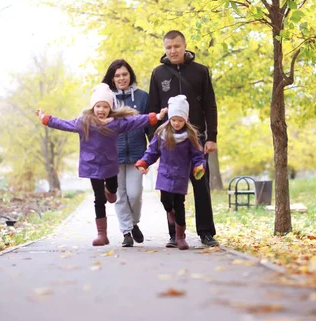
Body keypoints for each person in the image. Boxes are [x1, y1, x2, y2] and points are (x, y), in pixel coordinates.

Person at [35, 83, 167, 247]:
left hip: (111, 164)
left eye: (105, 106)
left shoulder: (115, 123)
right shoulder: (84, 122)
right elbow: (64, 124)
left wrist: (156, 117)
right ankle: (102, 234)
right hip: (92, 166)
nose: (101, 110)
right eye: (98, 106)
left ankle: (110, 191)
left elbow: (134, 121)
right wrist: (46, 118)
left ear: (110, 108)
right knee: (99, 199)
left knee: (112, 189)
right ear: (93, 107)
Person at [148, 30, 219, 247]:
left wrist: (211, 137)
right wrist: (155, 143)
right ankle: (174, 234)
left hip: (196, 141)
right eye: (168, 47)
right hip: (169, 144)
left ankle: (206, 233)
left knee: (201, 188)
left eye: (176, 46)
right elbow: (152, 109)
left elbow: (210, 106)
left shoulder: (200, 72)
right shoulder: (158, 74)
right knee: (170, 190)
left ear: (185, 45)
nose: (173, 51)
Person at [135, 95, 205, 250]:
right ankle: (173, 220)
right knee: (166, 202)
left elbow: (198, 155)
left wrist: (199, 166)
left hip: (180, 175)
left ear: (186, 119)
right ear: (169, 118)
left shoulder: (190, 136)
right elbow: (152, 151)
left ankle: (179, 236)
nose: (176, 123)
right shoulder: (162, 134)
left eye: (180, 120)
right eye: (174, 120)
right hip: (165, 173)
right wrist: (144, 162)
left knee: (179, 204)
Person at [102, 59, 149, 247]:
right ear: (112, 79)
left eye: (124, 74)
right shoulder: (106, 100)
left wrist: (153, 151)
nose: (121, 78)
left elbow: (148, 124)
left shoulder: (143, 97)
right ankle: (126, 231)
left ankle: (134, 223)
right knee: (120, 195)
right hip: (113, 155)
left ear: (130, 75)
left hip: (138, 153)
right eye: (117, 75)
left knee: (135, 194)